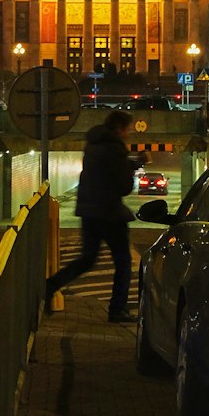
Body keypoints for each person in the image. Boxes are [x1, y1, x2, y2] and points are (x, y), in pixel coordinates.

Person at [46, 107, 137, 322]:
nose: (128, 134)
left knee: (87, 259)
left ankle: (51, 284)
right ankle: (117, 310)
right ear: (118, 128)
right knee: (123, 262)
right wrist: (131, 168)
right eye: (127, 130)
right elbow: (123, 186)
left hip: (89, 212)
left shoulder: (93, 145)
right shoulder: (115, 149)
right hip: (110, 214)